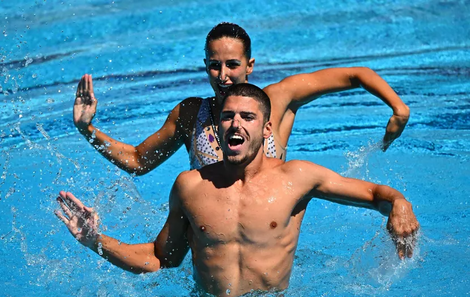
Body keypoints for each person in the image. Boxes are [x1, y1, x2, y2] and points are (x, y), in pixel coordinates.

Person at [57, 84, 419, 297]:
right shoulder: (191, 186)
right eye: (228, 116)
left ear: (266, 129)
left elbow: (375, 195)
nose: (235, 123)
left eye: (247, 117)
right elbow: (160, 258)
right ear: (216, 128)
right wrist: (94, 240)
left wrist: (400, 203)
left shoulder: (297, 178)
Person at [73, 22, 410, 173]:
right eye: (214, 66)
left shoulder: (278, 99)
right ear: (205, 67)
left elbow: (356, 74)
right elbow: (138, 161)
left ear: (249, 66)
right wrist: (88, 130)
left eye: (232, 65)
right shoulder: (192, 114)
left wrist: (397, 107)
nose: (223, 76)